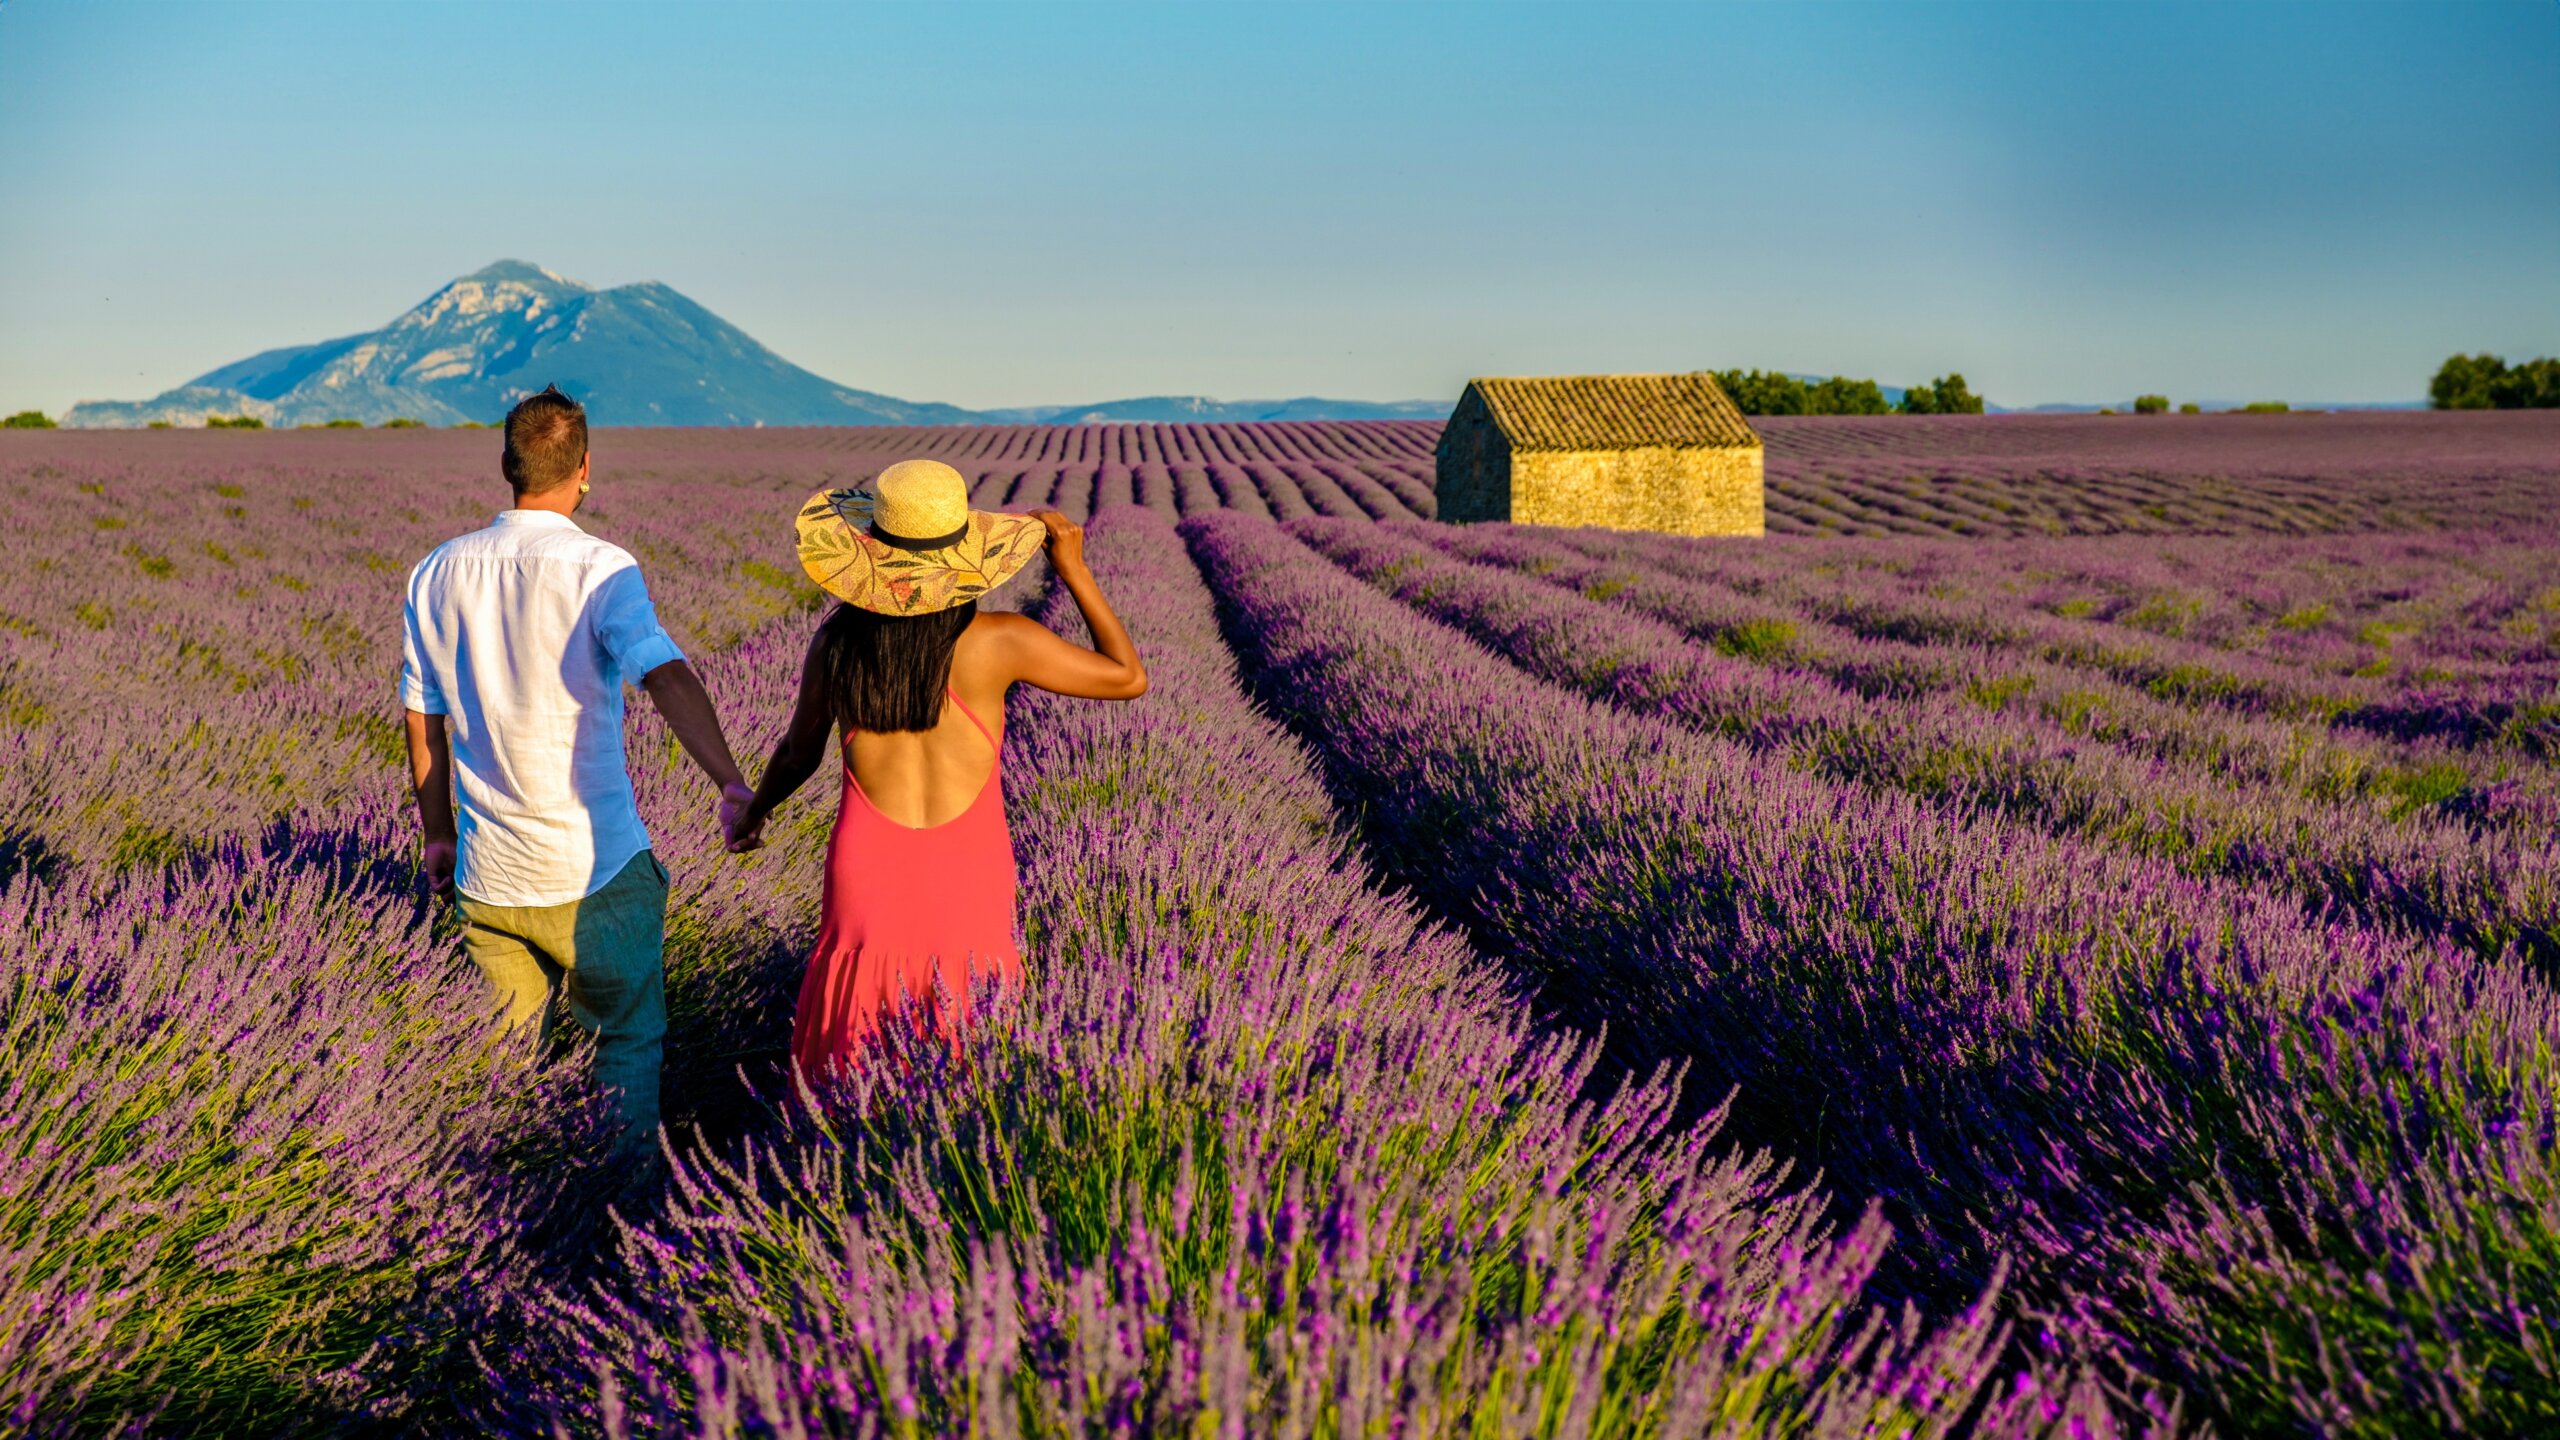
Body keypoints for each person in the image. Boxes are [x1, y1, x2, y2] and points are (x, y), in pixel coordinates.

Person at [399, 384, 754, 1154]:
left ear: (506, 464)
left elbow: (421, 713)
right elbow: (662, 673)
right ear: (585, 468)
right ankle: (615, 1219)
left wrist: (436, 832)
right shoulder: (601, 568)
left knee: (503, 1070)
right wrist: (728, 778)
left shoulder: (436, 571)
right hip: (596, 872)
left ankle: (510, 1210)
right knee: (623, 1049)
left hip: (488, 876)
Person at [726, 459, 1145, 1084]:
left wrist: (753, 812)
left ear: (873, 556)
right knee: (969, 1034)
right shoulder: (1001, 641)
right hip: (969, 865)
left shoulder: (839, 643)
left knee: (853, 1037)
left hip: (866, 865)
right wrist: (1073, 570)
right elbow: (1128, 677)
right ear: (964, 558)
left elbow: (798, 754)